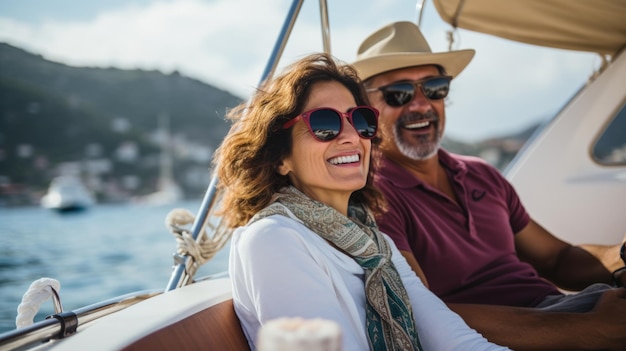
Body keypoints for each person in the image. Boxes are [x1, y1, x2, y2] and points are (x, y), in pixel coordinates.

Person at [351, 21, 626, 350]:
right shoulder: (373, 194)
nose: (422, 104)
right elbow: (415, 313)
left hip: (566, 315)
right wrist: (589, 330)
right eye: (400, 93)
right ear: (365, 110)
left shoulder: (481, 172)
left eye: (435, 87)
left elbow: (557, 259)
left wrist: (620, 255)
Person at [213, 53, 509, 350]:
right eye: (325, 123)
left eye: (360, 120)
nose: (351, 137)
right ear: (281, 157)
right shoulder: (273, 240)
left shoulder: (378, 246)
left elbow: (459, 342)